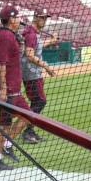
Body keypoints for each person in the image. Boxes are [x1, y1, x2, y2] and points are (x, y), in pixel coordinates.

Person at [0, 4, 34, 171]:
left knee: (27, 116)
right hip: (8, 90)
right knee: (5, 124)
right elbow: (1, 64)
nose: (20, 19)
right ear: (11, 19)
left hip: (13, 89)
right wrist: (3, 88)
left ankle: (7, 145)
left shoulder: (9, 35)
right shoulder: (6, 37)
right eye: (17, 17)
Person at [20, 8, 58, 142]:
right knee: (39, 101)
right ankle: (27, 132)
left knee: (37, 101)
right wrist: (46, 67)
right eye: (42, 17)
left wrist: (51, 41)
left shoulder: (33, 33)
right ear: (35, 17)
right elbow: (30, 55)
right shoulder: (31, 34)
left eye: (46, 18)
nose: (44, 20)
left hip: (32, 72)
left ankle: (29, 131)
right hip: (31, 73)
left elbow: (37, 46)